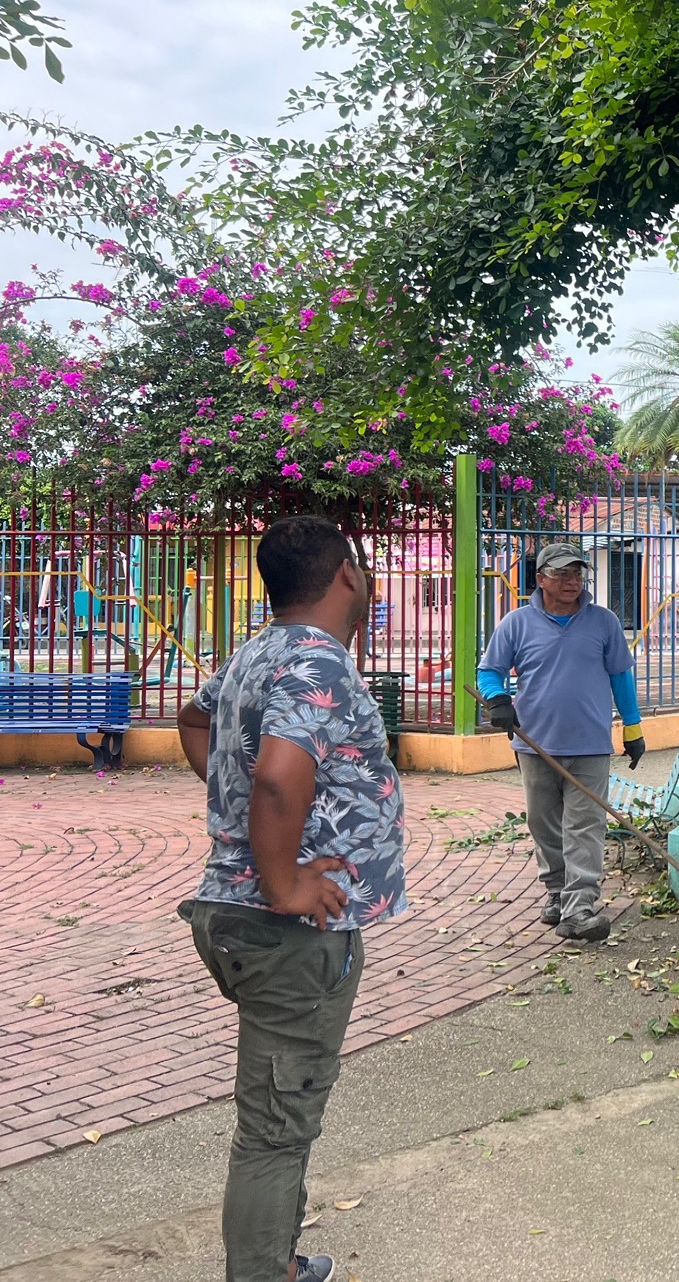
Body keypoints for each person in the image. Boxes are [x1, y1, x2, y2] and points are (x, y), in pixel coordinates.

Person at [175, 515, 407, 1282]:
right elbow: (279, 775)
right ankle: (262, 1273)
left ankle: (276, 1260)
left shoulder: (259, 652)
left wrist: (243, 812)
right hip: (286, 932)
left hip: (238, 917)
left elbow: (195, 718)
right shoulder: (318, 660)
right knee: (276, 1127)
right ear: (346, 575)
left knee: (283, 1112)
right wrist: (284, 881)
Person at [476, 542, 644, 943]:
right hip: (535, 744)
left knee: (586, 826)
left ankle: (579, 909)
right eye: (562, 573)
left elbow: (621, 677)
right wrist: (498, 700)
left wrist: (633, 728)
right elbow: (489, 671)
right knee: (544, 824)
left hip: (590, 744)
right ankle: (556, 891)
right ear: (541, 579)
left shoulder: (603, 622)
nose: (572, 581)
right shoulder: (516, 624)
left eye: (577, 573)